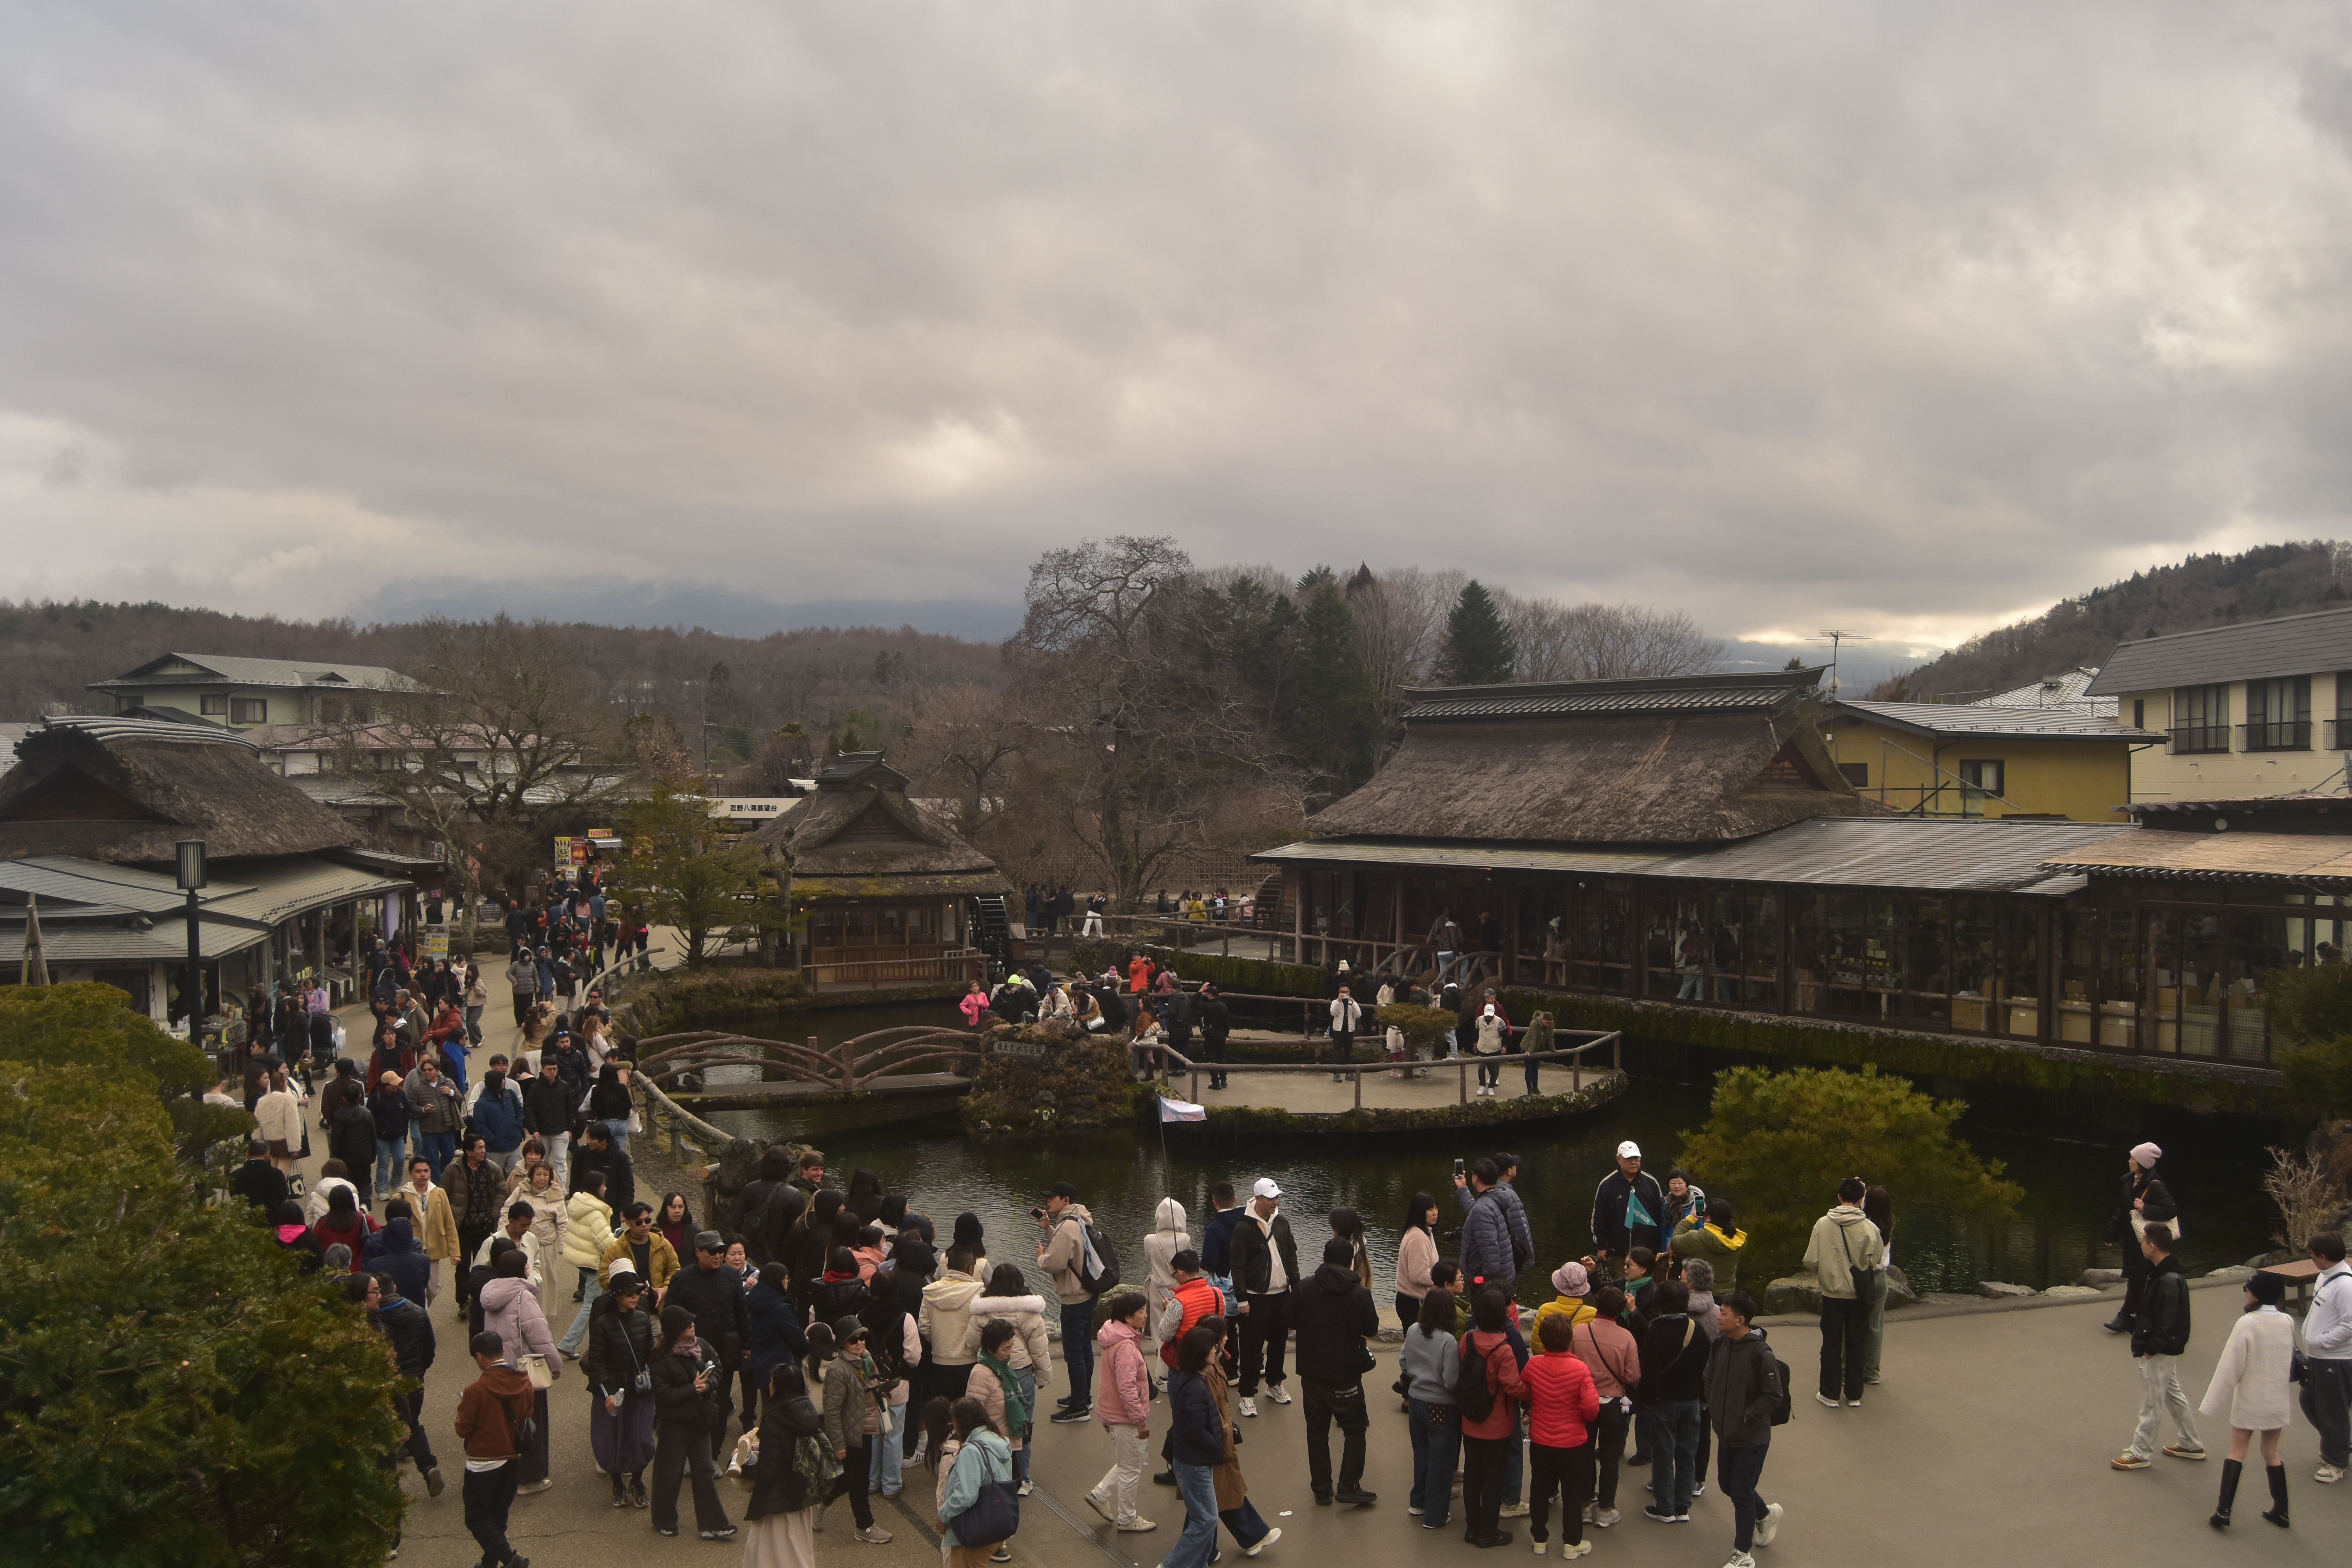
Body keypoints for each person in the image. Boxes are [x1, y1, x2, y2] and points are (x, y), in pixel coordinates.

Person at [2201, 1268, 2299, 1529]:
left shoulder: (2247, 1324)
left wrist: (2211, 1403)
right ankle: (2283, 1510)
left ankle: (2224, 1511)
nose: (2246, 1292)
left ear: (2258, 1293)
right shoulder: (2287, 1322)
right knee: (2271, 1452)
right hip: (2277, 1400)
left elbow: (2229, 1368)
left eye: (2249, 1288)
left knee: (2237, 1451)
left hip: (2251, 1400)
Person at [1287, 1232, 1378, 1506]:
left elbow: (1288, 1318)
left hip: (1312, 1373)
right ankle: (1349, 1484)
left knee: (1317, 1432)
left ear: (1324, 1259)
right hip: (1345, 1374)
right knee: (1355, 1428)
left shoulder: (1304, 1288)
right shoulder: (1360, 1293)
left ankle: (1322, 1488)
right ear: (1350, 1263)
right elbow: (1372, 1328)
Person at [2113, 1221, 2203, 1469]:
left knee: (2150, 1402)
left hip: (2159, 1349)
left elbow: (2168, 1321)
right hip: (2165, 1348)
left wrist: (2150, 1349)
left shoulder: (2167, 1279)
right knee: (2172, 1394)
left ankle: (2141, 1452)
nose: (2140, 1245)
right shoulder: (2166, 1273)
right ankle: (2191, 1442)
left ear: (2152, 1247)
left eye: (2142, 1242)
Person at [1704, 1290, 1784, 1567]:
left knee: (1740, 1490)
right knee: (1729, 1485)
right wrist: (1712, 1404)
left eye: (1724, 1312)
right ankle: (1765, 1514)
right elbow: (1709, 1376)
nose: (1719, 1315)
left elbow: (1774, 1396)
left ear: (1740, 1320)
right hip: (1726, 1432)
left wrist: (1747, 1415)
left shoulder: (1761, 1353)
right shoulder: (1720, 1344)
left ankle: (1743, 1554)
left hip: (1751, 1436)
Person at [651, 1305, 736, 1541]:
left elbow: (718, 1368)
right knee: (670, 1474)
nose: (693, 1325)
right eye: (688, 1324)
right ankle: (664, 1519)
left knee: (704, 1472)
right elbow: (664, 1395)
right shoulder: (661, 1360)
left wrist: (707, 1385)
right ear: (676, 1331)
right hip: (674, 1425)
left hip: (699, 1421)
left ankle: (713, 1524)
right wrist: (693, 1389)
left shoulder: (703, 1346)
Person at [454, 1329, 536, 1568]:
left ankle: (510, 1559)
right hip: (513, 1457)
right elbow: (527, 1416)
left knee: (477, 1516)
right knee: (498, 1513)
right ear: (502, 1351)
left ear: (480, 1357)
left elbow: (463, 1429)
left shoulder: (475, 1391)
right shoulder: (525, 1382)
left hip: (484, 1462)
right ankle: (489, 1562)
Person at [1522, 1311, 1600, 1559]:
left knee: (1539, 1488)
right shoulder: (1580, 1369)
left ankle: (1539, 1539)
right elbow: (1591, 1410)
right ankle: (1572, 1542)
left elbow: (1524, 1391)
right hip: (1572, 1443)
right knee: (1572, 1492)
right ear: (1569, 1340)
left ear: (1543, 1340)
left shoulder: (1534, 1365)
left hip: (1542, 1439)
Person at [668, 1229, 752, 1458]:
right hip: (691, 1352)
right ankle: (688, 1452)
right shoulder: (681, 1280)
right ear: (698, 1252)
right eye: (712, 1251)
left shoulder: (731, 1276)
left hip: (724, 1352)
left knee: (720, 1403)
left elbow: (742, 1312)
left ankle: (712, 1454)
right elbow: (671, 1317)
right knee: (692, 1402)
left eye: (721, 1251)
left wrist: (747, 1344)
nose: (718, 1256)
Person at [1800, 1177, 1881, 1409]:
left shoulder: (1823, 1224)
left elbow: (1811, 1260)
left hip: (1833, 1295)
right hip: (1859, 1295)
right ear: (1862, 1199)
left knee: (1831, 1344)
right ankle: (1854, 1394)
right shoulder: (1870, 1228)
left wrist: (1828, 1270)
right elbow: (1874, 1261)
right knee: (1857, 1344)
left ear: (1839, 1197)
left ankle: (1830, 1393)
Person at [969, 1262, 1051, 1494]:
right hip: (1022, 1371)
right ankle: (1023, 1478)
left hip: (990, 1369)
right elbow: (1040, 1349)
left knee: (993, 1424)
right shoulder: (1030, 1311)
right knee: (1021, 1425)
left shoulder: (982, 1311)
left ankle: (997, 1475)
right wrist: (1043, 1377)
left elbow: (971, 1342)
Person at [812, 1319, 893, 1544]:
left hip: (866, 1428)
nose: (859, 1343)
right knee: (859, 1482)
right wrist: (838, 1444)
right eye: (853, 1339)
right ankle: (864, 1526)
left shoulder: (865, 1359)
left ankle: (822, 1504)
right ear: (842, 1343)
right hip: (851, 1434)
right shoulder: (838, 1370)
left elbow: (870, 1386)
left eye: (862, 1337)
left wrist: (881, 1391)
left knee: (854, 1477)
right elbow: (832, 1410)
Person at [741, 1360, 828, 1568]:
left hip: (776, 1504)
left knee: (768, 1558)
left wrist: (741, 1465)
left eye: (772, 1382)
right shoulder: (807, 1413)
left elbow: (769, 1471)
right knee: (797, 1557)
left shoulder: (775, 1419)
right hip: (798, 1499)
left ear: (779, 1387)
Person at [1084, 1291, 1158, 1532]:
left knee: (1128, 1462)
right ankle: (1128, 1519)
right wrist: (1140, 1421)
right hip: (1124, 1418)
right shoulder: (1126, 1346)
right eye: (1141, 1312)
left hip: (1112, 1414)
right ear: (1128, 1317)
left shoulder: (1114, 1335)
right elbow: (1127, 1388)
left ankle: (1100, 1495)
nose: (1145, 1316)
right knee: (1131, 1469)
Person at [1461, 1285, 1527, 1548]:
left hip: (1471, 1420)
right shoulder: (1504, 1349)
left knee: (1473, 1476)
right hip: (1496, 1423)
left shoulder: (1467, 1339)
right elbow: (1514, 1387)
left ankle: (1472, 1527)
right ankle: (1489, 1530)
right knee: (1493, 1478)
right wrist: (1534, 1392)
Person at [584, 1269, 657, 1508]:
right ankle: (617, 1482)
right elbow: (596, 1363)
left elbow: (650, 1354)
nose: (634, 1297)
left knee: (641, 1438)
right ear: (616, 1296)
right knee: (612, 1439)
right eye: (628, 1294)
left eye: (636, 1292)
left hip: (639, 1389)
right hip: (614, 1391)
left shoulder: (643, 1319)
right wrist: (607, 1393)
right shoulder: (603, 1325)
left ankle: (637, 1480)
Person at [1637, 1277, 1707, 1523]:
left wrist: (1646, 1399)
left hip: (1665, 1400)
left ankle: (1665, 1506)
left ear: (1660, 1304)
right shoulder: (1696, 1329)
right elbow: (1706, 1368)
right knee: (1687, 1453)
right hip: (1692, 1401)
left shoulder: (1656, 1329)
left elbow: (1650, 1370)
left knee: (1664, 1453)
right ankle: (1683, 1505)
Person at [1229, 1178, 1299, 1417]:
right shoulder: (1244, 1228)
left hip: (1281, 1295)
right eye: (1271, 1198)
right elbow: (1236, 1266)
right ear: (1258, 1199)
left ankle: (1274, 1383)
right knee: (1251, 1347)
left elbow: (1291, 1258)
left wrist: (1297, 1291)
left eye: (1277, 1197)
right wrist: (1242, 1300)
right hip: (1254, 1297)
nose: (1275, 1202)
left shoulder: (1282, 1223)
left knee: (1279, 1343)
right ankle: (1247, 1394)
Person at [372, 1270, 444, 1499]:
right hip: (414, 1381)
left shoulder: (374, 1321)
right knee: (411, 1423)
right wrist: (419, 1371)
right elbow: (430, 1350)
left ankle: (386, 1486)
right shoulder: (418, 1312)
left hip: (385, 1385)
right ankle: (428, 1467)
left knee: (383, 1432)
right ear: (394, 1288)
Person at [1036, 1182, 1103, 1422]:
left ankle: (1078, 1408)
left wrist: (1042, 1259)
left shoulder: (1066, 1228)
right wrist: (1048, 1229)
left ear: (1065, 1200)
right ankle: (1083, 1397)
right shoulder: (1079, 1219)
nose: (1048, 1201)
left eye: (1052, 1197)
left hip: (1074, 1298)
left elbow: (1056, 1262)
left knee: (1074, 1353)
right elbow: (1072, 1248)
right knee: (1085, 1348)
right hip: (1088, 1292)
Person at [1163, 1322, 1227, 1568]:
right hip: (1195, 1464)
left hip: (1192, 1461)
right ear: (1201, 1353)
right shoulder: (1196, 1388)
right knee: (1206, 1521)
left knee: (1204, 1520)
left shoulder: (1190, 1378)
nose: (1216, 1350)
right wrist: (1215, 1446)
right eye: (1212, 1347)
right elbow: (1195, 1430)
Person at [2103, 1142, 2180, 1334]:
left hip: (2149, 1243)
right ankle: (2139, 1317)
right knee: (2137, 1279)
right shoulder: (2131, 1181)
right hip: (2134, 1240)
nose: (2129, 1161)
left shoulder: (2155, 1186)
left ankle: (2125, 1316)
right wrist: (2111, 1234)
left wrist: (2146, 1209)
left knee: (2138, 1279)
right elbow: (2122, 1211)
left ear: (2143, 1163)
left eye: (2133, 1159)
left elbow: (2171, 1210)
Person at [1402, 1286, 1461, 1528]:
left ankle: (1418, 1503)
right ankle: (1436, 1515)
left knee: (1422, 1454)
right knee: (1441, 1459)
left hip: (1416, 1399)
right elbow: (1450, 1381)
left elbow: (1404, 1362)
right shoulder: (1448, 1341)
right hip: (1441, 1404)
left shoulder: (1414, 1330)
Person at [858, 1265, 918, 1496]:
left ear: (872, 1290)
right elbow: (913, 1357)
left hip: (868, 1385)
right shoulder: (905, 1319)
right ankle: (892, 1484)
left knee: (874, 1432)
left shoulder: (861, 1316)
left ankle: (872, 1482)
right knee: (894, 1434)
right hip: (896, 1385)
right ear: (896, 1291)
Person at [938, 1396, 1016, 1568]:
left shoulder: (971, 1452)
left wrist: (943, 1517)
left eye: (954, 1423)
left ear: (963, 1422)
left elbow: (965, 1497)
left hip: (975, 1529)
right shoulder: (1000, 1441)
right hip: (997, 1524)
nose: (955, 1428)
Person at [2301, 1230, 2352, 1486]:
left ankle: (2337, 1461)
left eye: (2312, 1255)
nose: (2310, 1258)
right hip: (2320, 1357)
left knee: (2333, 1410)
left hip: (2336, 1359)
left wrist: (2321, 1342)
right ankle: (2341, 1442)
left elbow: (2350, 1325)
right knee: (2309, 1400)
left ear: (2322, 1257)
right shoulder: (2325, 1276)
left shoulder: (2345, 1286)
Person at [1454, 1158, 1534, 1298]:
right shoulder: (1496, 1197)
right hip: (1505, 1274)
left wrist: (1492, 1290)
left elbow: (1490, 1252)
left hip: (1490, 1283)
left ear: (1476, 1178)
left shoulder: (1482, 1209)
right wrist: (1462, 1188)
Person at [922, 1243, 988, 1411]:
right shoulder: (978, 1294)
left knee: (944, 1413)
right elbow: (984, 1327)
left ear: (949, 1266)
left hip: (939, 1361)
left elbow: (923, 1326)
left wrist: (937, 1339)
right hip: (969, 1361)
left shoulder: (930, 1292)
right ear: (971, 1268)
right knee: (967, 1413)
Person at [555, 1170, 614, 1357]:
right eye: (604, 1185)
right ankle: (568, 1343)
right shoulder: (596, 1213)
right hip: (596, 1263)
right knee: (592, 1305)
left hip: (584, 1261)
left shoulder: (579, 1204)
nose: (606, 1189)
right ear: (597, 1187)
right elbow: (606, 1243)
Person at [1591, 1141, 1667, 1265]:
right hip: (1619, 1253)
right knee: (1621, 1285)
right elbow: (1599, 1219)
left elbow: (1662, 1216)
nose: (1633, 1162)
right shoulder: (1607, 1185)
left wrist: (1663, 1246)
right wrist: (1601, 1246)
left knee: (1649, 1284)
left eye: (1636, 1158)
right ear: (1619, 1159)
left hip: (1649, 1253)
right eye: (1628, 1158)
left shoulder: (1652, 1183)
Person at [601, 1201, 681, 1307]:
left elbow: (674, 1270)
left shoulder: (662, 1244)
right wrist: (628, 1288)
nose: (644, 1225)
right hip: (628, 1311)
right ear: (628, 1223)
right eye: (639, 1222)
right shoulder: (617, 1248)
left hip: (657, 1308)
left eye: (647, 1221)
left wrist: (666, 1288)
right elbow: (603, 1275)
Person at [1670, 1195, 1748, 1294]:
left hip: (1699, 1293)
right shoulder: (1740, 1240)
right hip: (1727, 1294)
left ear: (1709, 1218)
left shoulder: (1695, 1238)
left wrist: (1691, 1218)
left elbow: (1675, 1242)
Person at [570, 1118, 635, 1217]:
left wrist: (625, 1208)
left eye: (593, 1139)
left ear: (604, 1140)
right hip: (584, 1208)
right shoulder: (581, 1153)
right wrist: (573, 1201)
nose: (589, 1142)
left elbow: (627, 1184)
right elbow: (575, 1180)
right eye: (588, 1138)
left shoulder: (619, 1157)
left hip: (611, 1210)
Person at [1861, 1185, 1893, 1384]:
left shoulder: (1865, 1223)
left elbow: (1855, 1210)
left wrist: (1859, 1192)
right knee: (1875, 1326)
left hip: (1865, 1275)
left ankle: (1847, 1369)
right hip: (1882, 1277)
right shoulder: (1889, 1222)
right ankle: (1872, 1372)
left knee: (1854, 1324)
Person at [1396, 1192, 1440, 1332]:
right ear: (1419, 1212)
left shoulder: (1425, 1231)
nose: (1435, 1213)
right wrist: (1444, 1277)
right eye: (1430, 1209)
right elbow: (1419, 1275)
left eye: (1436, 1208)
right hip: (1414, 1303)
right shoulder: (1418, 1238)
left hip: (1414, 1300)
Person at [1145, 1198, 1192, 1324]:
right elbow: (1190, 1263)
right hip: (1179, 1288)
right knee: (1179, 1324)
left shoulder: (1149, 1240)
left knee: (1157, 1325)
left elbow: (1149, 1260)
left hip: (1157, 1289)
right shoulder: (1185, 1239)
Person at [230, 1140, 292, 1218]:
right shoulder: (276, 1174)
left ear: (248, 1154)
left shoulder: (235, 1176)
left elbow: (234, 1199)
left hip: (244, 1222)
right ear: (267, 1156)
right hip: (271, 1220)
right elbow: (284, 1196)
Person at [1328, 986, 1364, 1082]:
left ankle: (1349, 1073)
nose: (1344, 993)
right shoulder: (1335, 1002)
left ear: (1349, 992)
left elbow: (1359, 1015)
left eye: (1346, 992)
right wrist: (1339, 1001)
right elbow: (1333, 1013)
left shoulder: (1353, 1002)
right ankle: (1336, 1074)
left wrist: (1352, 1004)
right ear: (1339, 992)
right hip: (1339, 1031)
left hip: (1350, 1031)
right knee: (1337, 1052)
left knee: (1349, 1053)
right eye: (1342, 992)